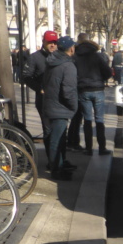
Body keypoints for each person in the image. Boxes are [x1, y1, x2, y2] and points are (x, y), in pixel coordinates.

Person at [42, 35, 79, 180]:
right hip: (60, 108)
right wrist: (73, 106)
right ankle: (56, 169)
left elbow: (45, 83)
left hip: (50, 104)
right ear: (71, 48)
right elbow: (69, 90)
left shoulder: (51, 62)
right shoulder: (68, 66)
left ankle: (60, 165)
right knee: (56, 141)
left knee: (57, 139)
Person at [74, 33, 113, 155]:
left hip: (83, 90)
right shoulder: (97, 56)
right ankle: (102, 147)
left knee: (87, 120)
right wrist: (102, 79)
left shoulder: (75, 56)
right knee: (99, 120)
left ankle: (89, 148)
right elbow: (107, 72)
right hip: (97, 89)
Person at [21, 30, 58, 141]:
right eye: (50, 42)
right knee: (48, 130)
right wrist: (39, 88)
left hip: (58, 99)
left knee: (59, 130)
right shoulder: (35, 57)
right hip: (44, 99)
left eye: (55, 42)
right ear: (44, 42)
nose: (52, 45)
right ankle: (52, 157)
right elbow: (26, 76)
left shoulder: (60, 57)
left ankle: (61, 157)